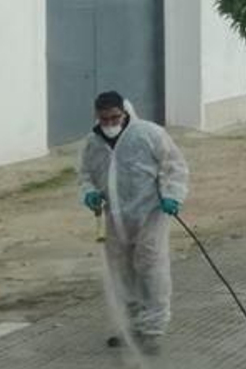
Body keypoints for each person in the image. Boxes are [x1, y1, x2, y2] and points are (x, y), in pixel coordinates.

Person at [78, 90, 189, 355]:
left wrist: (172, 195)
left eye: (114, 117)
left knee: (151, 267)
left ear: (124, 112)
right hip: (114, 217)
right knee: (122, 272)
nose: (110, 124)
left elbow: (174, 165)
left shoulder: (148, 134)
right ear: (97, 116)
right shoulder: (92, 142)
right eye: (104, 119)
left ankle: (152, 330)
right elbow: (84, 174)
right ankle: (131, 327)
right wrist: (89, 192)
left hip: (151, 212)